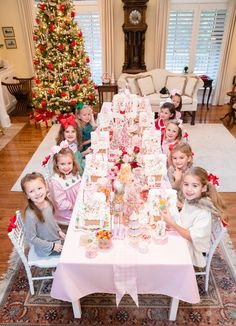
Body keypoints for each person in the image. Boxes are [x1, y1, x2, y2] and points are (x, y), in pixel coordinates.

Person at [161, 166, 227, 267]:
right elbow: (186, 219)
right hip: (185, 236)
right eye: (186, 184)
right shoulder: (192, 199)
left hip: (194, 250)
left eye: (195, 186)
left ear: (203, 188)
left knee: (162, 251)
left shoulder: (204, 212)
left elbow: (192, 237)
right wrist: (173, 224)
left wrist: (172, 224)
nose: (189, 189)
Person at [21, 172, 65, 257]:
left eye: (39, 188)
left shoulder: (47, 202)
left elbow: (51, 220)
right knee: (71, 253)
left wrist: (58, 230)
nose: (37, 193)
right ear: (27, 195)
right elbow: (32, 238)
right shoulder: (31, 215)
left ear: (45, 187)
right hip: (46, 249)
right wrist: (52, 246)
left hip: (55, 238)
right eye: (31, 191)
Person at [49, 145, 81, 224]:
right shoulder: (56, 181)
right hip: (67, 212)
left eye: (69, 163)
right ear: (57, 164)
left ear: (73, 162)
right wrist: (74, 207)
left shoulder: (74, 173)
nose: (66, 167)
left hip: (78, 203)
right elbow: (61, 203)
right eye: (62, 164)